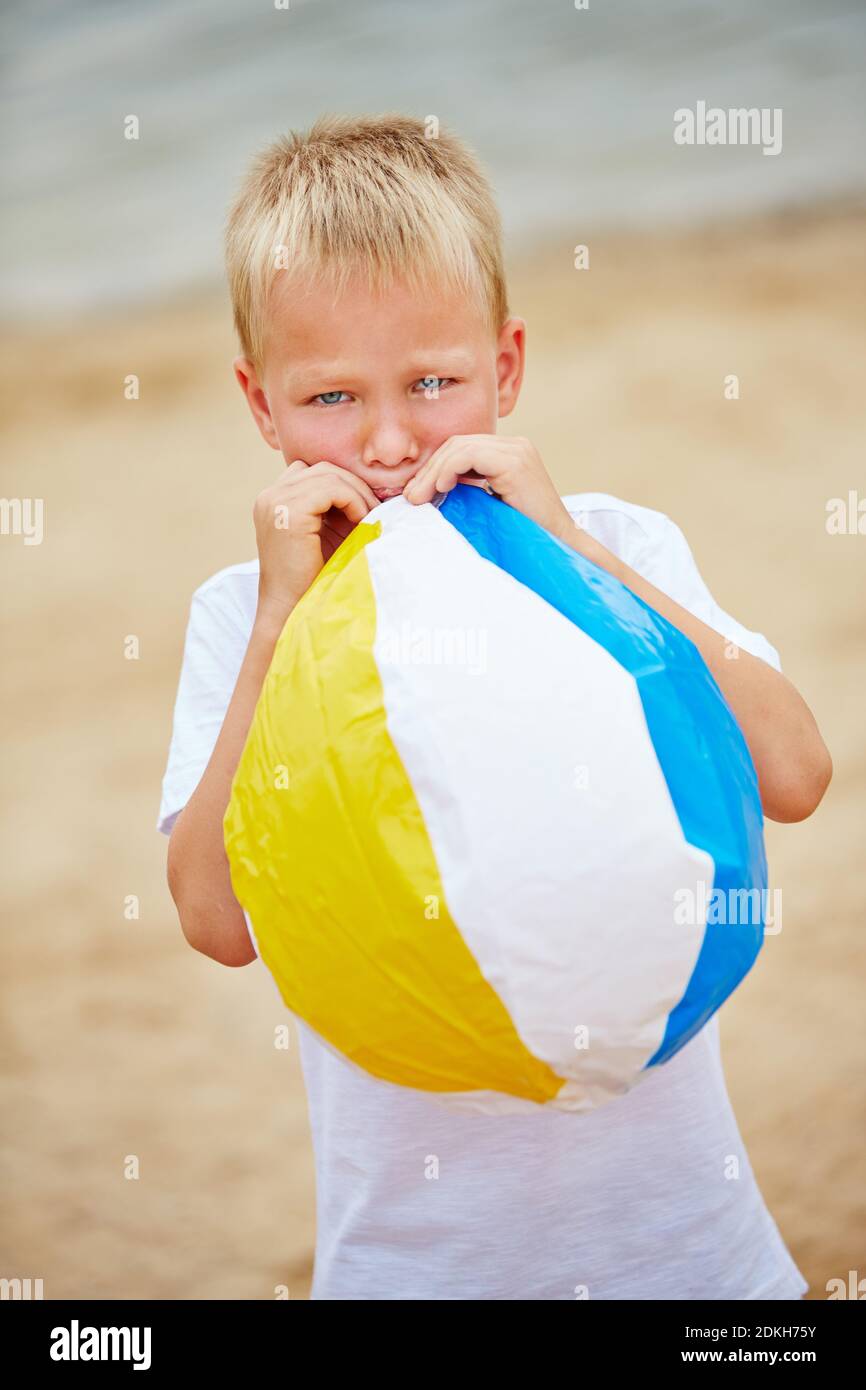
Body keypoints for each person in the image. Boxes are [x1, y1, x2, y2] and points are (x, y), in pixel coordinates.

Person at [158, 113, 830, 1300]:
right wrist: (279, 616)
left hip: (695, 1266)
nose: (384, 439)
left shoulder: (617, 542)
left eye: (433, 383)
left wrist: (567, 543)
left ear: (504, 368)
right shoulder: (242, 614)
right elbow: (219, 922)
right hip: (416, 1270)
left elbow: (792, 773)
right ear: (259, 405)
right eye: (328, 398)